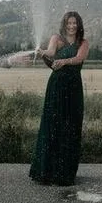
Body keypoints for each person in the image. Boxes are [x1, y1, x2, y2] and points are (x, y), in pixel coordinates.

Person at [29, 11, 89, 186]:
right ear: (64, 24)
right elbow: (50, 52)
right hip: (56, 86)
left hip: (73, 88)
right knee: (52, 125)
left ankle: (65, 173)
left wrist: (63, 62)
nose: (72, 26)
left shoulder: (83, 42)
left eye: (75, 23)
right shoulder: (56, 38)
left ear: (79, 25)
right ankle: (46, 172)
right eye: (69, 23)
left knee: (70, 126)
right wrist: (42, 53)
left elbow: (79, 59)